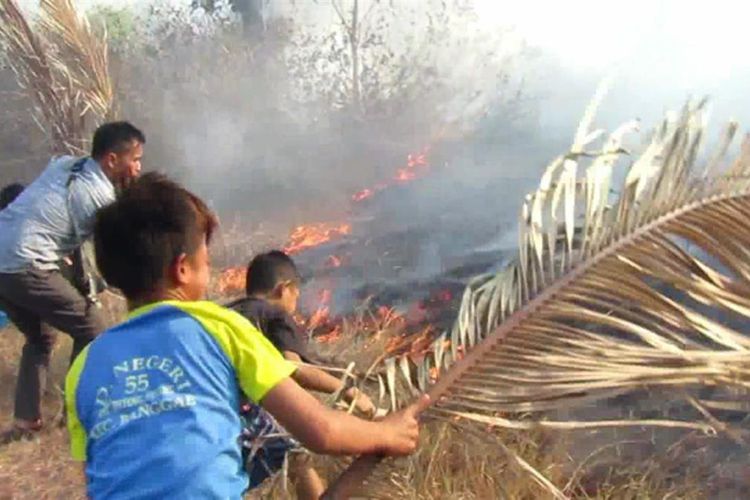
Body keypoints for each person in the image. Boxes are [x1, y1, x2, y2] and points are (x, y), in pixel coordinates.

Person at [65, 173, 428, 499]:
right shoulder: (219, 327)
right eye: (206, 262)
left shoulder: (83, 366)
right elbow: (321, 431)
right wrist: (386, 434)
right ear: (183, 269)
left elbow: (99, 476)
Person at [0, 122, 145, 444]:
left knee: (40, 338)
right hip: (27, 263)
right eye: (134, 160)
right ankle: (75, 413)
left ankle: (26, 421)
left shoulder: (66, 163)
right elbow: (97, 254)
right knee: (92, 328)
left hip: (3, 260)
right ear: (111, 159)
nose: (138, 167)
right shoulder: (99, 197)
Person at [228, 250, 376, 497]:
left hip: (216, 408)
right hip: (244, 411)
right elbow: (295, 368)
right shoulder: (275, 315)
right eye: (296, 291)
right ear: (283, 289)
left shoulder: (228, 314)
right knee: (298, 457)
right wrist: (349, 391)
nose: (296, 300)